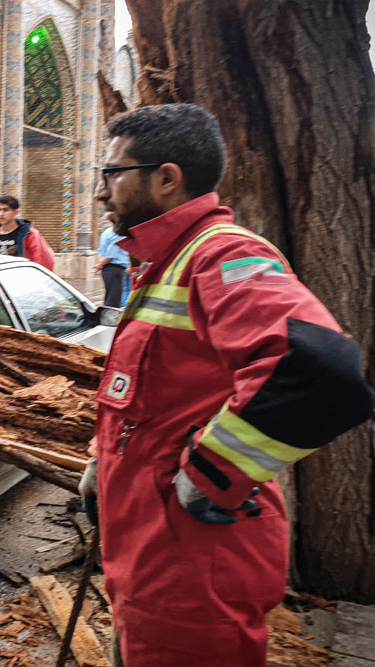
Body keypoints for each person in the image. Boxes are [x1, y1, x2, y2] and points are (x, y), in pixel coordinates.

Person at [80, 103, 374, 666]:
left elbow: (321, 371)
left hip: (193, 570)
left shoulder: (224, 255)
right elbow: (156, 396)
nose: (101, 192)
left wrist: (214, 473)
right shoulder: (166, 262)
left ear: (167, 179)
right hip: (151, 558)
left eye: (111, 174)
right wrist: (104, 464)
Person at [0, 195, 55, 270]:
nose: (1, 214)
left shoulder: (29, 235)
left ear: (16, 212)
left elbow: (43, 258)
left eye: (6, 210)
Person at [93, 219, 129, 307]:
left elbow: (100, 251)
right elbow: (111, 254)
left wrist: (100, 264)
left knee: (110, 298)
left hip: (107, 269)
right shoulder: (118, 233)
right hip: (115, 269)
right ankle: (109, 320)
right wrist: (100, 265)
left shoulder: (106, 232)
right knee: (113, 302)